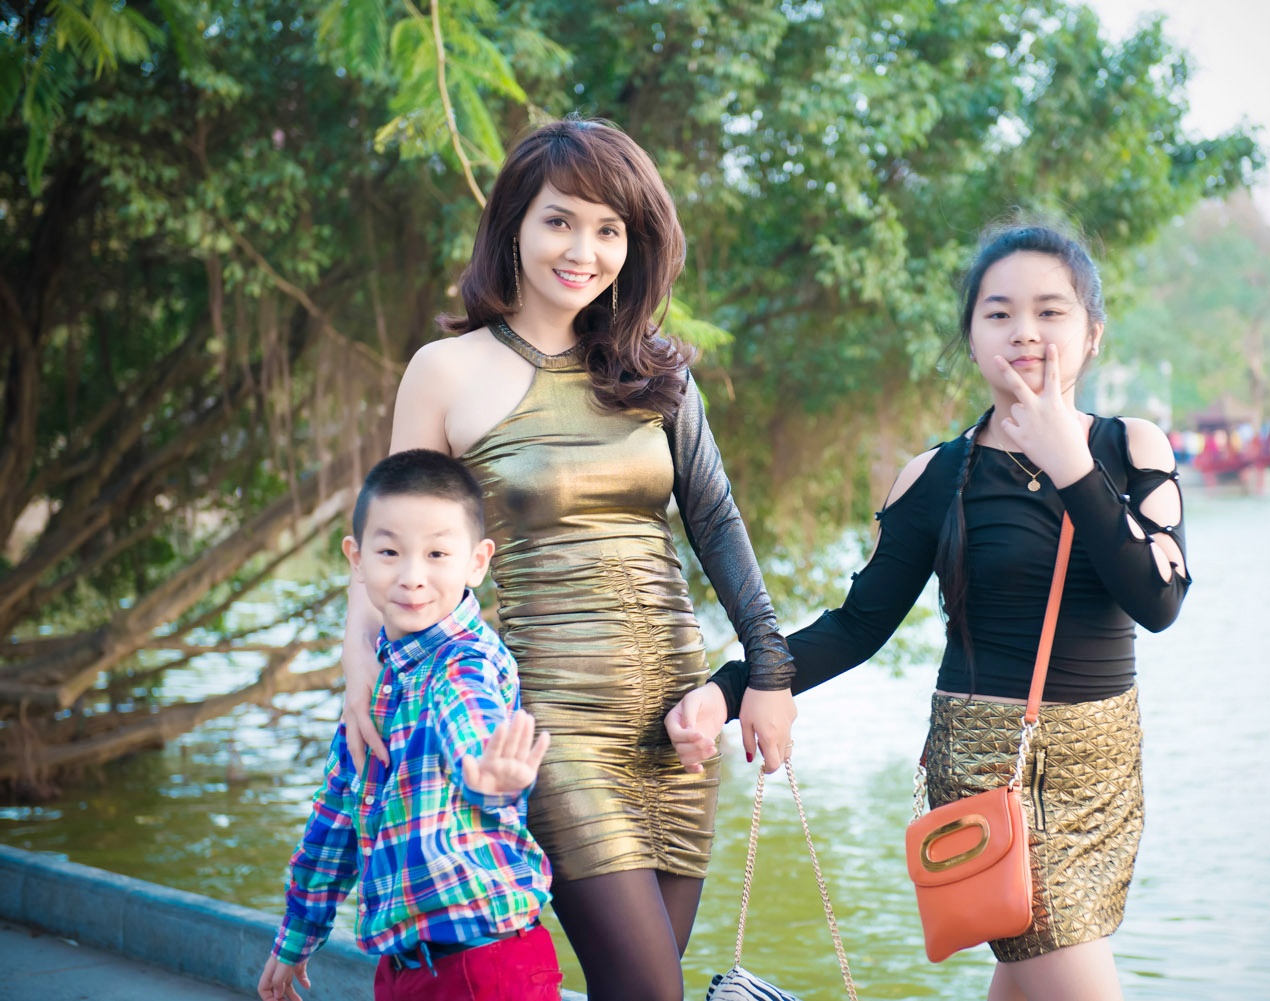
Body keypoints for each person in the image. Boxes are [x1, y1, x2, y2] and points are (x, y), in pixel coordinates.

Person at [669, 223, 1191, 1001]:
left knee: (1030, 978)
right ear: (971, 337)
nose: (1025, 331)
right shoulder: (938, 476)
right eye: (999, 313)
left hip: (1102, 774)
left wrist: (1070, 461)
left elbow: (1159, 600)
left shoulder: (1132, 448)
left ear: (1092, 333)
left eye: (1050, 311)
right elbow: (855, 627)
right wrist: (730, 687)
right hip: (987, 769)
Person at [338, 117, 796, 1001]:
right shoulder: (445, 370)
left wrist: (768, 675)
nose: (583, 250)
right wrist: (361, 663)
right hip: (550, 722)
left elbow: (716, 522)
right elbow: (394, 543)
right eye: (560, 220)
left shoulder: (658, 372)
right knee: (653, 990)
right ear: (514, 222)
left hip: (677, 721)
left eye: (608, 229)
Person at [259, 449, 557, 1001]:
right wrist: (296, 936)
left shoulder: (464, 661)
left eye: (437, 553)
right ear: (357, 559)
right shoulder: (374, 684)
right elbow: (336, 820)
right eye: (390, 552)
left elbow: (470, 717)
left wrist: (486, 775)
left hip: (485, 965)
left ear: (477, 562)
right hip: (402, 967)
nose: (412, 577)